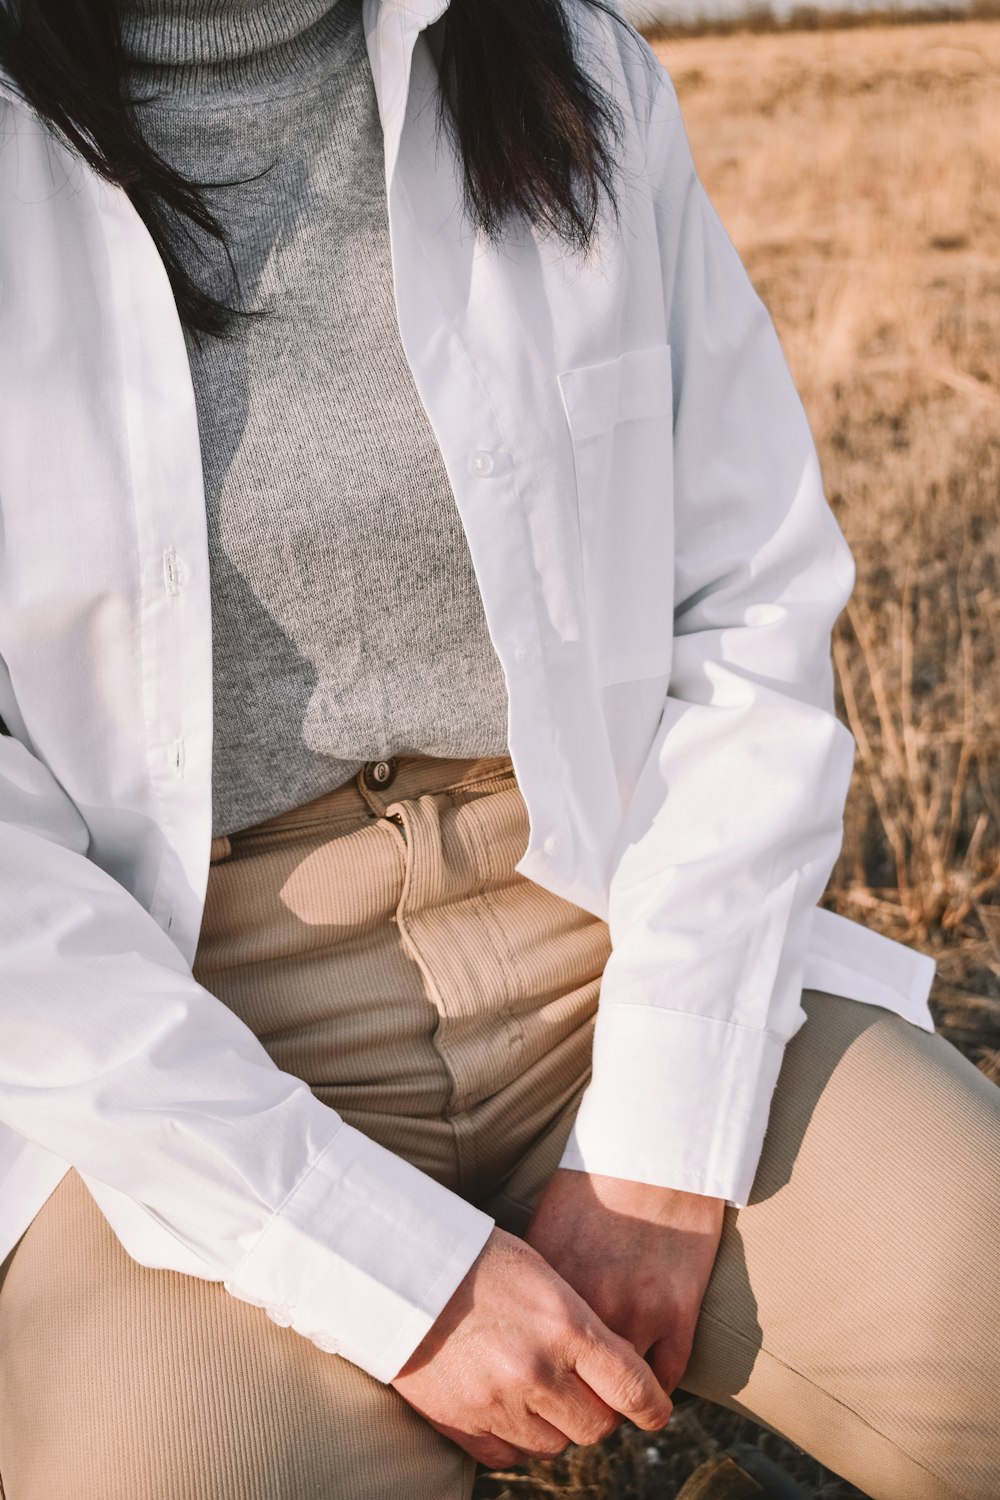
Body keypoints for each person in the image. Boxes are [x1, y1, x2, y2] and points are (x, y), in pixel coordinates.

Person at [0, 0, 996, 1497]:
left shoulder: (570, 61)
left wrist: (665, 1135)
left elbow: (749, 606)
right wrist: (386, 1272)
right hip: (183, 1014)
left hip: (615, 922)